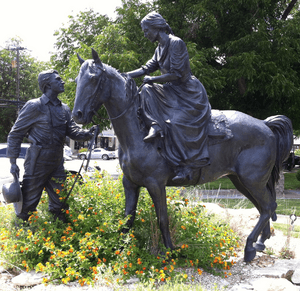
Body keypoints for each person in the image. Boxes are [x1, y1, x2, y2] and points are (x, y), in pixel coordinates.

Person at [127, 12, 211, 183]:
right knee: (146, 90)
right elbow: (145, 69)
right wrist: (123, 75)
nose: (145, 34)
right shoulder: (159, 48)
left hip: (188, 94)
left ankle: (186, 166)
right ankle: (155, 126)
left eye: (146, 31)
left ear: (156, 27)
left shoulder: (176, 43)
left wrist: (153, 79)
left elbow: (178, 74)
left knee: (176, 122)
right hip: (172, 92)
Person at [7, 69, 95, 223]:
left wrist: (88, 133)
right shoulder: (34, 106)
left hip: (57, 161)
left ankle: (60, 233)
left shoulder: (64, 109)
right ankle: (22, 233)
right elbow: (15, 134)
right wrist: (13, 162)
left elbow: (72, 131)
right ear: (47, 84)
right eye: (58, 79)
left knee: (60, 203)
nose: (62, 82)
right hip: (37, 160)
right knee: (28, 203)